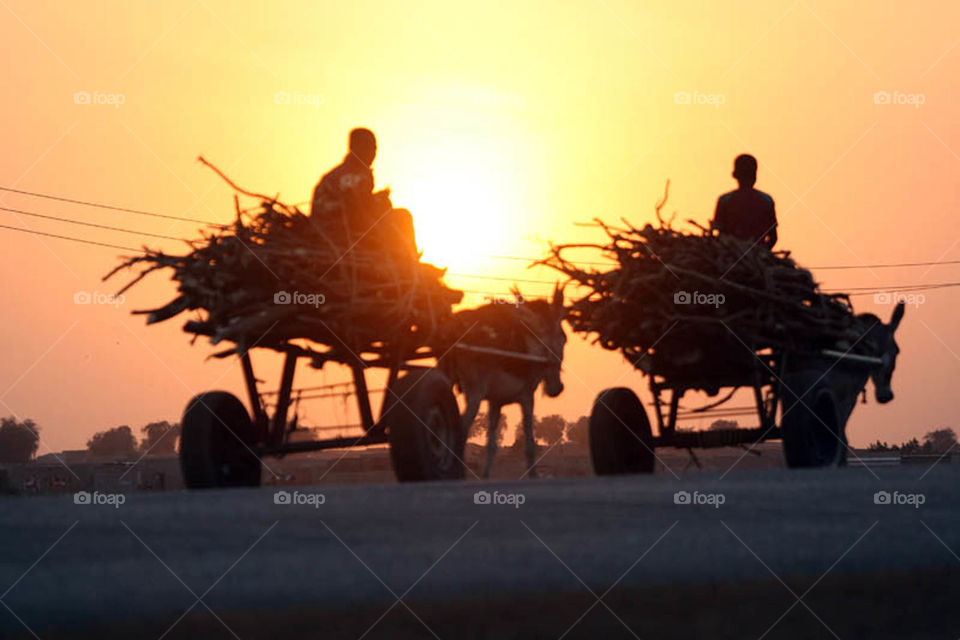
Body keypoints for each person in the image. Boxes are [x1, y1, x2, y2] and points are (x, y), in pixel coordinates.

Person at [310, 128, 417, 258]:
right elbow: (356, 210)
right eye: (368, 147)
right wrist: (379, 205)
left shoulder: (344, 173)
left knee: (387, 211)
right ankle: (408, 259)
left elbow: (359, 203)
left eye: (374, 148)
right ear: (355, 148)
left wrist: (377, 200)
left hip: (339, 226)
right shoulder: (352, 175)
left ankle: (400, 257)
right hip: (337, 230)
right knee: (402, 217)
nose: (373, 153)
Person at [712, 154, 778, 249]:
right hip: (758, 256)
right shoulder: (766, 200)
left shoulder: (725, 200)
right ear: (755, 175)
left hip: (729, 255)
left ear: (735, 175)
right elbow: (773, 238)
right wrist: (762, 254)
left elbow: (719, 234)